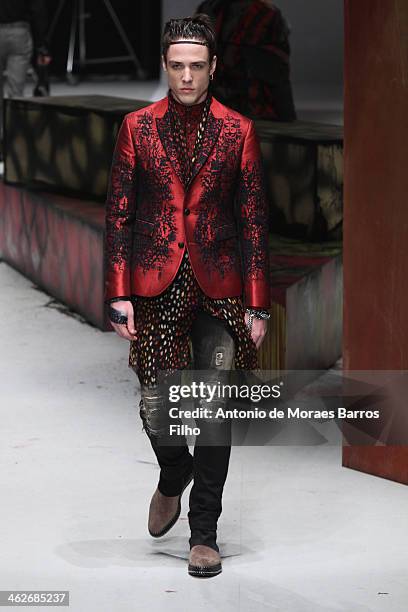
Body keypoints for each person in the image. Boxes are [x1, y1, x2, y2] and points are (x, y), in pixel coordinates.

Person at [104, 14, 271, 578]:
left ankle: (204, 534)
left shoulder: (239, 130)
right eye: (177, 66)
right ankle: (173, 473)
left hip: (219, 285)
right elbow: (120, 214)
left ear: (214, 67)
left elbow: (252, 220)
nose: (187, 77)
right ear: (164, 66)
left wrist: (256, 302)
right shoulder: (136, 127)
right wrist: (119, 293)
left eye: (197, 66)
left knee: (213, 406)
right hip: (154, 284)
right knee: (158, 408)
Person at [196, 0, 296, 121]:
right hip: (218, 109)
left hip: (252, 111)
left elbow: (277, 72)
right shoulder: (209, 9)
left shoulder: (266, 14)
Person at [0, 0, 51, 151]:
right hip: (18, 33)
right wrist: (42, 45)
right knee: (15, 93)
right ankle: (12, 143)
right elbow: (38, 10)